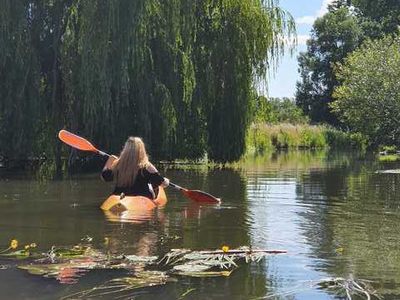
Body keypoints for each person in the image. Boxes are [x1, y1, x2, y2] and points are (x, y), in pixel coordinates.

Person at [101, 137, 169, 199]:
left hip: (118, 196)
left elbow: (105, 177)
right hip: (141, 198)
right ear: (141, 150)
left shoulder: (117, 164)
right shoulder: (147, 166)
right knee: (151, 188)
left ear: (125, 149)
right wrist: (166, 181)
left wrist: (110, 160)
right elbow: (162, 184)